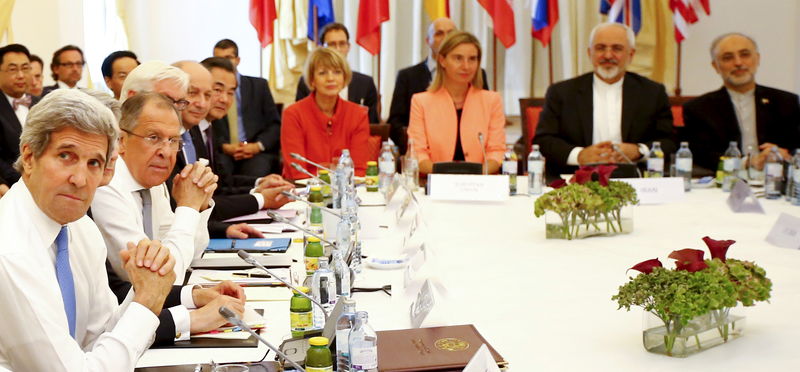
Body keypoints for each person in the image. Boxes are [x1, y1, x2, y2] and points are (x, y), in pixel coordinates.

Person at [0, 89, 176, 370]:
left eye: (93, 163)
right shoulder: (10, 248)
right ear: (30, 157)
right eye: (66, 156)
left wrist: (143, 290)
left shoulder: (80, 228)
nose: (80, 179)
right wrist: (147, 303)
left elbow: (100, 339)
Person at [534, 22, 675, 179]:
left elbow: (669, 141)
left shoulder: (652, 92)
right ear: (589, 53)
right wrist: (580, 155)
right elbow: (544, 141)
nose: (608, 55)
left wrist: (639, 151)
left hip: (637, 179)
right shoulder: (562, 92)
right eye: (600, 48)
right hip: (575, 179)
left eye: (617, 48)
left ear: (631, 54)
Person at [173, 60, 292, 238]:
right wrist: (261, 199)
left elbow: (219, 186)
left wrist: (258, 185)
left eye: (231, 92)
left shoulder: (202, 130)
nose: (224, 99)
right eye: (217, 90)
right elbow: (191, 205)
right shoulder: (184, 134)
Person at [682, 32, 800, 172]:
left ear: (757, 59)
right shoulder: (699, 108)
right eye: (728, 58)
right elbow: (701, 155)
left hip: (777, 180)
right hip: (726, 181)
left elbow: (795, 147)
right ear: (716, 66)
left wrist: (786, 155)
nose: (738, 63)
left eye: (745, 54)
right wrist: (747, 163)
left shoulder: (786, 102)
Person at [407, 31, 506, 175]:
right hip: (435, 184)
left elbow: (496, 151)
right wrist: (446, 178)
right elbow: (417, 153)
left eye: (472, 59)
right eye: (458, 58)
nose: (466, 66)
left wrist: (474, 177)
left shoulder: (492, 101)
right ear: (442, 60)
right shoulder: (421, 101)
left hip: (480, 185)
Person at [389, 17, 489, 154]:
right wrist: (417, 144)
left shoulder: (475, 73)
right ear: (427, 41)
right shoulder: (408, 76)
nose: (446, 37)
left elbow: (483, 115)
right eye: (439, 33)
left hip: (470, 152)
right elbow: (395, 122)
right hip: (422, 153)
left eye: (450, 33)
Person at [281, 47, 370, 180]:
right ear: (312, 80)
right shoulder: (293, 114)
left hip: (347, 191)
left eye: (337, 72)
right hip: (304, 191)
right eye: (322, 73)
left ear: (344, 78)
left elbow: (358, 169)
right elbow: (296, 171)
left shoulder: (358, 114)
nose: (330, 78)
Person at [212, 39, 282, 176]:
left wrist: (257, 146)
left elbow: (275, 125)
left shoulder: (259, 86)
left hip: (255, 151)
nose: (224, 63)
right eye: (219, 59)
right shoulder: (211, 89)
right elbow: (207, 126)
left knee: (256, 171)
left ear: (238, 60)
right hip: (223, 151)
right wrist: (224, 147)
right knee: (219, 171)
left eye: (228, 58)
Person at [295, 23, 380, 124]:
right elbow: (301, 119)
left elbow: (373, 125)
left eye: (342, 44)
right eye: (332, 44)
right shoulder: (307, 81)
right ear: (321, 48)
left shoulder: (366, 83)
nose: (338, 49)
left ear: (348, 47)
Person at [0, 44, 38, 188]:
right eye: (13, 69)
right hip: (13, 185)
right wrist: (27, 179)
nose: (21, 75)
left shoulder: (40, 102)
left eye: (25, 68)